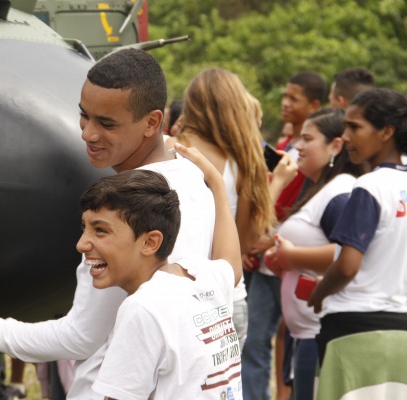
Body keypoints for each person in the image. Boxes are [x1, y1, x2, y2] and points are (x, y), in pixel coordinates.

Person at [0, 48, 217, 399]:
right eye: (85, 116)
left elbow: (82, 335)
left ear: (151, 122)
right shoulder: (192, 178)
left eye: (107, 124)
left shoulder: (125, 206)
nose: (87, 134)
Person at [87, 149, 242, 399]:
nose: (82, 244)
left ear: (150, 242)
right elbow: (231, 265)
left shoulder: (142, 308)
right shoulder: (201, 277)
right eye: (84, 228)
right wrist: (218, 186)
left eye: (101, 231)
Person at [166, 68, 276, 351]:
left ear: (192, 105)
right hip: (230, 298)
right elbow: (245, 242)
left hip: (179, 295)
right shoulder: (245, 162)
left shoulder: (171, 150)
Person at [263, 109, 363, 400]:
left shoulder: (341, 192)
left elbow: (348, 252)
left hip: (320, 335)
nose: (298, 147)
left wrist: (292, 258)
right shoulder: (322, 188)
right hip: (306, 335)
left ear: (335, 146)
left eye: (307, 139)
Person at [242, 71, 327, 400]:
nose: (286, 103)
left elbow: (298, 205)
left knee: (286, 335)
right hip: (265, 257)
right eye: (284, 96)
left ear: (315, 105)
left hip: (282, 255)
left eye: (294, 98)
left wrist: (269, 237)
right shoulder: (282, 146)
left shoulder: (320, 166)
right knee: (259, 338)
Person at [308, 88, 407, 361]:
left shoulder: (369, 186)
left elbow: (348, 266)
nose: (346, 137)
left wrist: (320, 292)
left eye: (355, 127)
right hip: (401, 330)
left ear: (386, 132)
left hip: (355, 327)